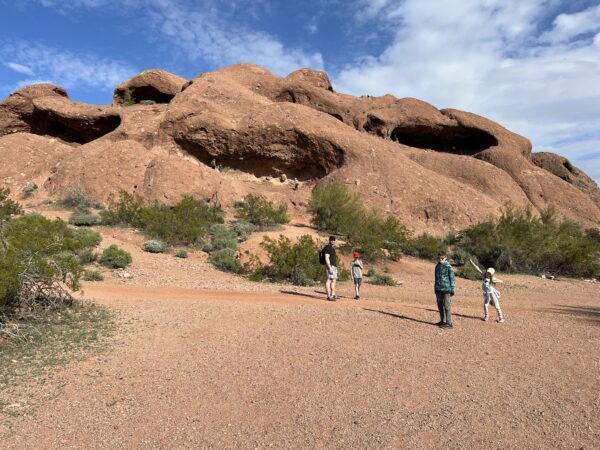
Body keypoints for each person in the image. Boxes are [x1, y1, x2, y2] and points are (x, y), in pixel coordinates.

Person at [434, 253, 455, 328]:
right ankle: (443, 321)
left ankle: (449, 323)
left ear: (445, 258)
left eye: (442, 258)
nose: (440, 260)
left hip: (447, 289)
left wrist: (452, 289)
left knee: (447, 306)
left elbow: (452, 279)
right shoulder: (437, 266)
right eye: (439, 258)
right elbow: (436, 279)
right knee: (440, 305)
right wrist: (435, 288)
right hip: (438, 289)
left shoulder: (449, 267)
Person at [323, 236, 337, 301]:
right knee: (329, 280)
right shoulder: (328, 248)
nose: (333, 241)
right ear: (329, 240)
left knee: (333, 280)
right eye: (332, 240)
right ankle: (329, 296)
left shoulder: (331, 248)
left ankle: (333, 295)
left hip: (333, 266)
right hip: (330, 266)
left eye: (334, 240)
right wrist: (329, 267)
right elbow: (326, 258)